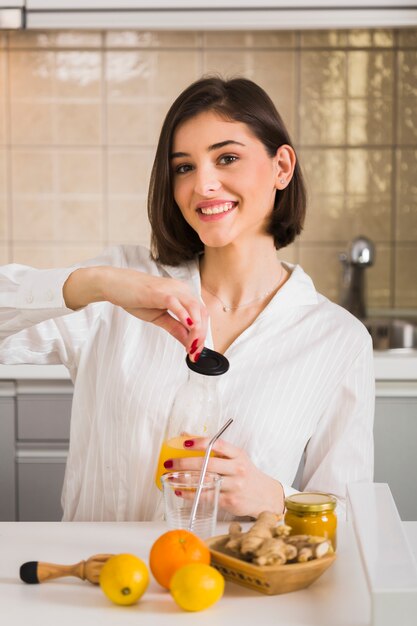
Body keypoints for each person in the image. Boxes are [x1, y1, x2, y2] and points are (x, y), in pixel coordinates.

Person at [0, 76, 374, 522]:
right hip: (96, 584)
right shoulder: (116, 291)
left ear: (282, 167)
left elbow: (352, 519)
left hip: (232, 591)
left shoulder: (337, 339)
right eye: (184, 167)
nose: (203, 185)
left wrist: (275, 498)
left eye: (227, 158)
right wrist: (97, 283)